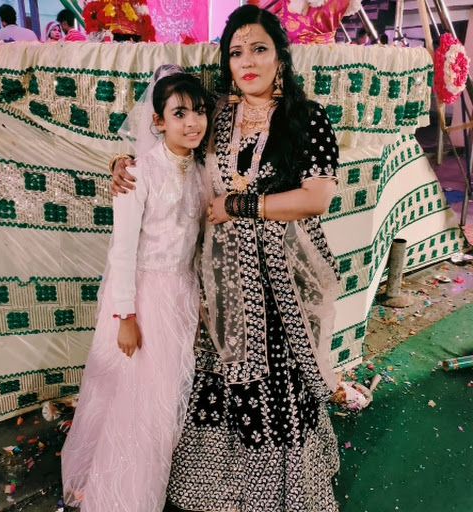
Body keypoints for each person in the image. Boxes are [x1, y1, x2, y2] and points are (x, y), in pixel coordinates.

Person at [112, 4, 341, 510]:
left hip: (282, 277)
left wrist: (240, 205)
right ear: (227, 62)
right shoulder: (215, 113)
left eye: (259, 49)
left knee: (278, 374)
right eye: (237, 52)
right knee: (222, 371)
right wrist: (125, 164)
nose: (248, 61)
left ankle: (279, 488)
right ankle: (218, 483)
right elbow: (171, 142)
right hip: (221, 277)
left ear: (280, 56)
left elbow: (318, 197)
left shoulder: (306, 117)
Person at [61, 65, 209, 511]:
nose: (193, 123)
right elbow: (122, 250)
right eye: (179, 113)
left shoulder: (202, 171)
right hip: (141, 297)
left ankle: (145, 483)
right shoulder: (137, 173)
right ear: (158, 121)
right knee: (131, 397)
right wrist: (125, 316)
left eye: (199, 111)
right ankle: (117, 495)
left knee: (162, 399)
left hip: (181, 293)